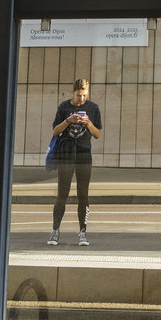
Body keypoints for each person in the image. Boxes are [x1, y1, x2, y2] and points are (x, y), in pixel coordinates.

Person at [47, 75, 101, 248]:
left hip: (84, 155)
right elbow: (55, 131)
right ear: (73, 92)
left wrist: (88, 123)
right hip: (66, 155)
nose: (81, 99)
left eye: (84, 95)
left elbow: (97, 134)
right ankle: (55, 230)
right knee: (62, 194)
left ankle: (82, 232)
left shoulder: (93, 108)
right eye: (79, 95)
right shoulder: (64, 107)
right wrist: (67, 121)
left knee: (83, 195)